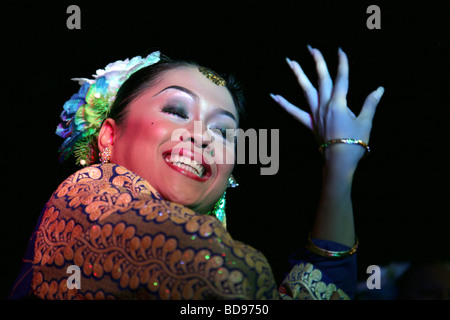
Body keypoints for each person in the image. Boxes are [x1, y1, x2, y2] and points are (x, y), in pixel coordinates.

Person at [8, 47, 384, 300]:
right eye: (176, 110)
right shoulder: (89, 193)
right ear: (109, 135)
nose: (203, 136)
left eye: (223, 132)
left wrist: (339, 165)